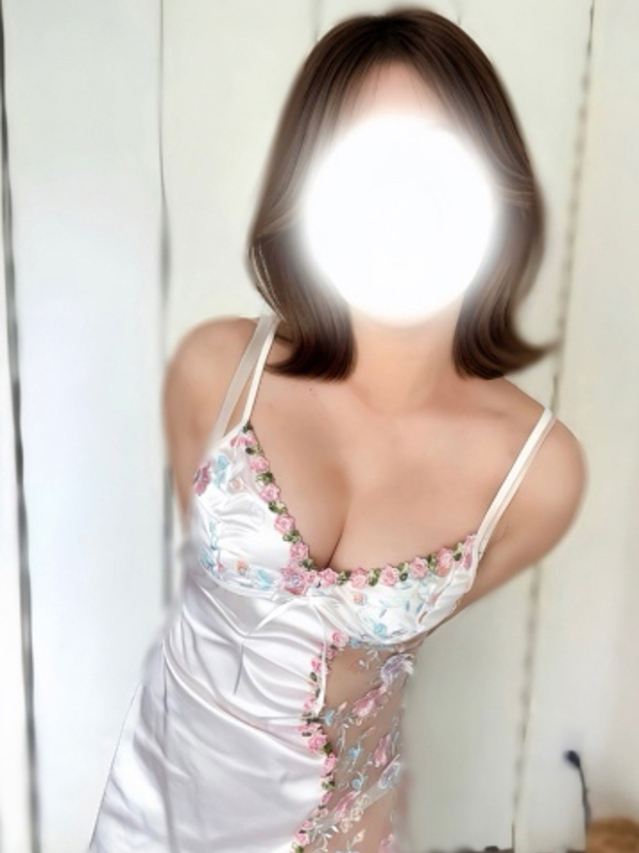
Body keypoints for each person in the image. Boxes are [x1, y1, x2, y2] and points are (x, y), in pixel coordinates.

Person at [87, 8, 586, 853]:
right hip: (154, 812)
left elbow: (392, 649)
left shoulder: (538, 474)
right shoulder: (215, 372)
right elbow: (206, 594)